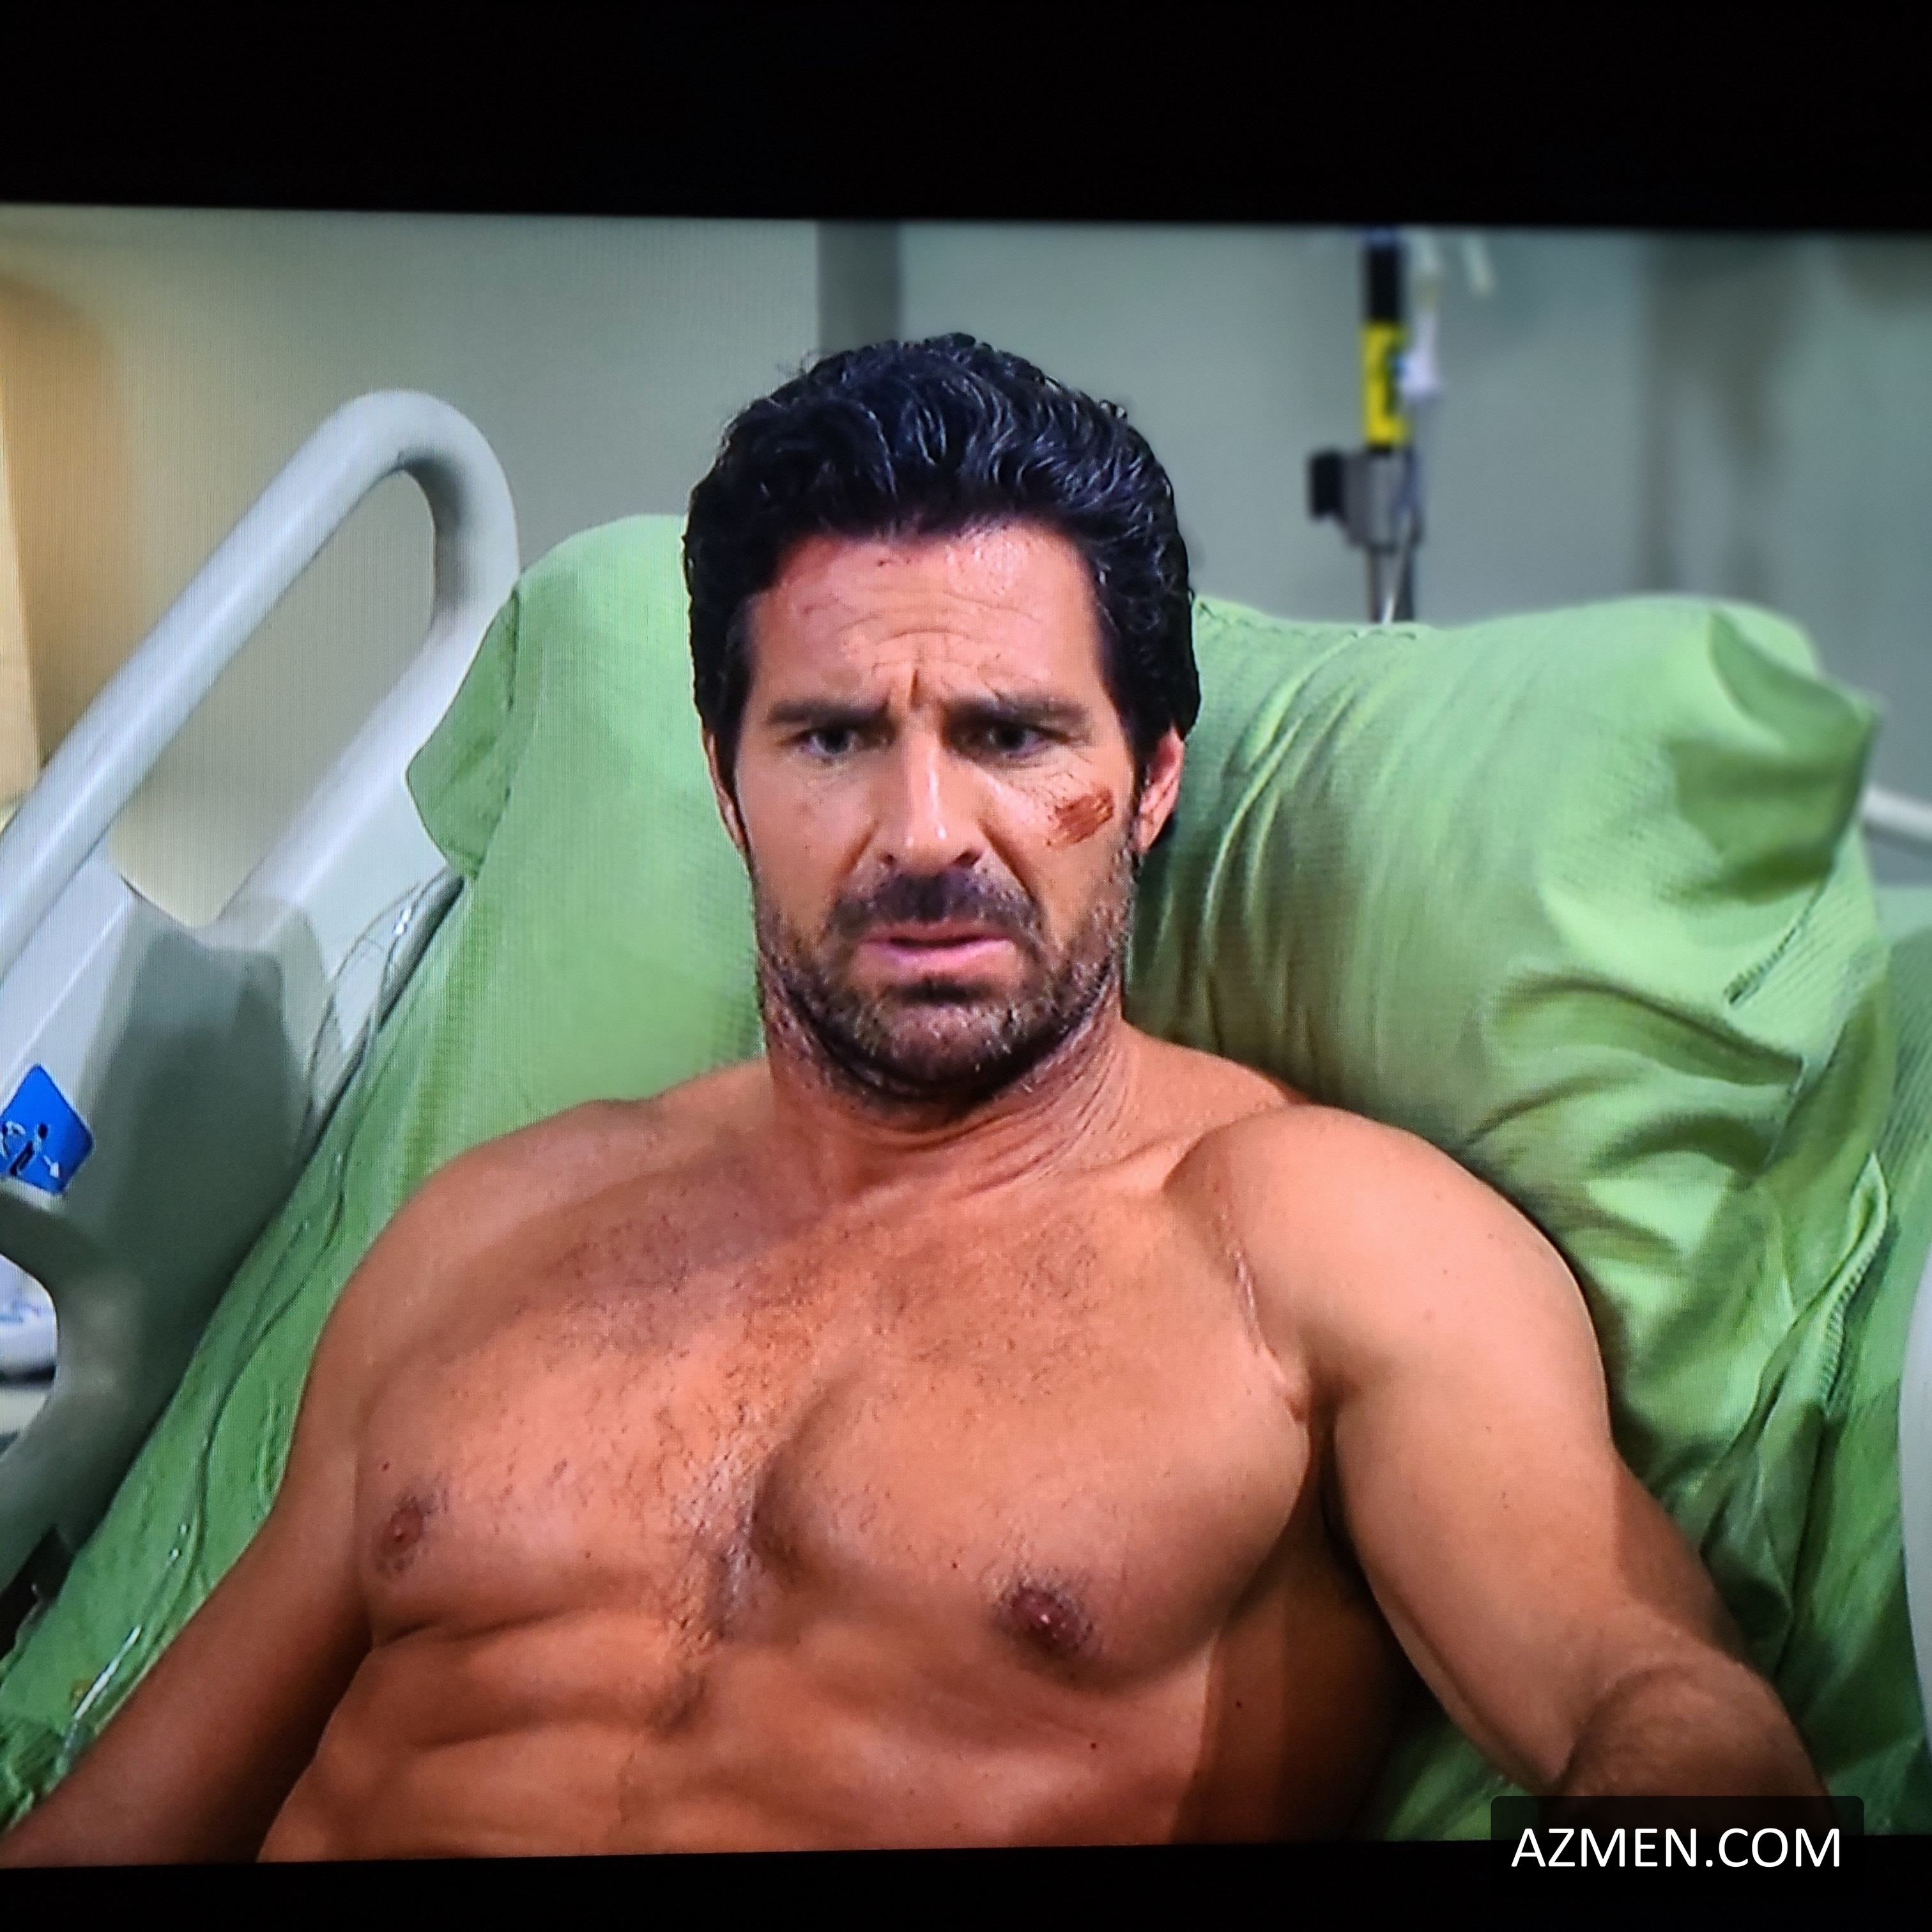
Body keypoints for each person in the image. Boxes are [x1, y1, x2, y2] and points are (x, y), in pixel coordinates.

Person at [0, 337, 1822, 1862]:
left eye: (1013, 736)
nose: (927, 833)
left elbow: (1676, 1724)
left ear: (1154, 779)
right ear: (728, 784)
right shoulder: (495, 1226)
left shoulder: (1319, 1242)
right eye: (834, 738)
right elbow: (126, 1820)